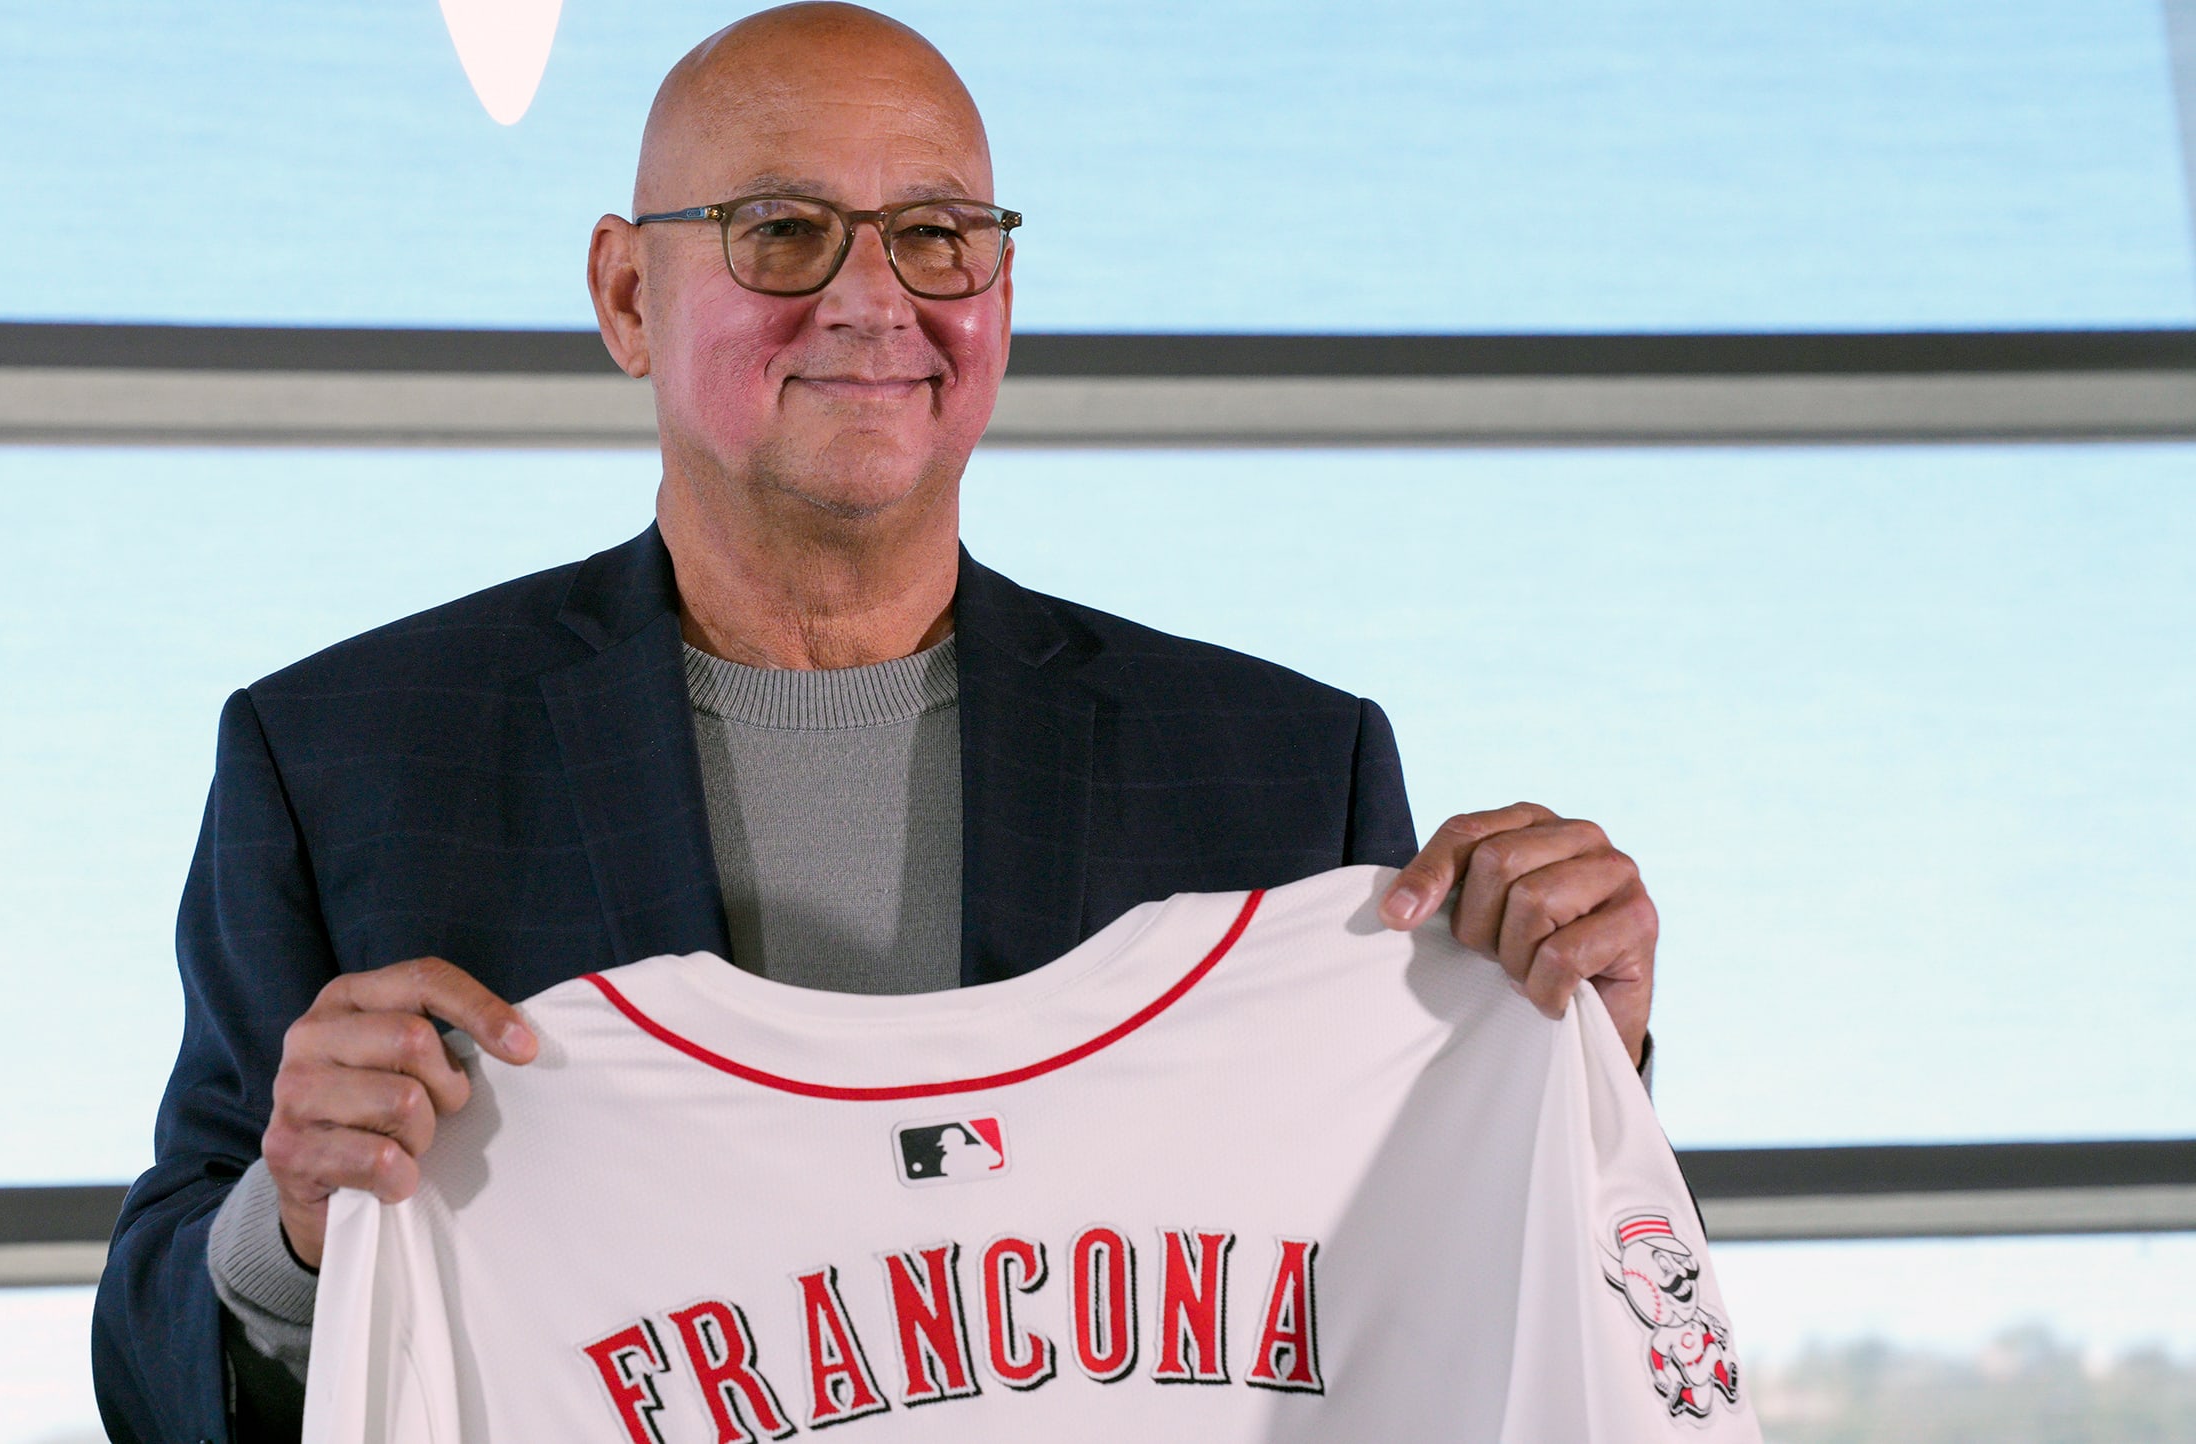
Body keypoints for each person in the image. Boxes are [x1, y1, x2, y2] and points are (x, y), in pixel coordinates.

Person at [90, 6, 1661, 1441]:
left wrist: (1579, 1049)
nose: (871, 300)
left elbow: (1456, 1301)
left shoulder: (1286, 771)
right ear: (628, 295)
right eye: (781, 232)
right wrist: (295, 1229)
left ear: (1001, 297)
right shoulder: (342, 757)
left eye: (935, 235)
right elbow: (150, 1379)